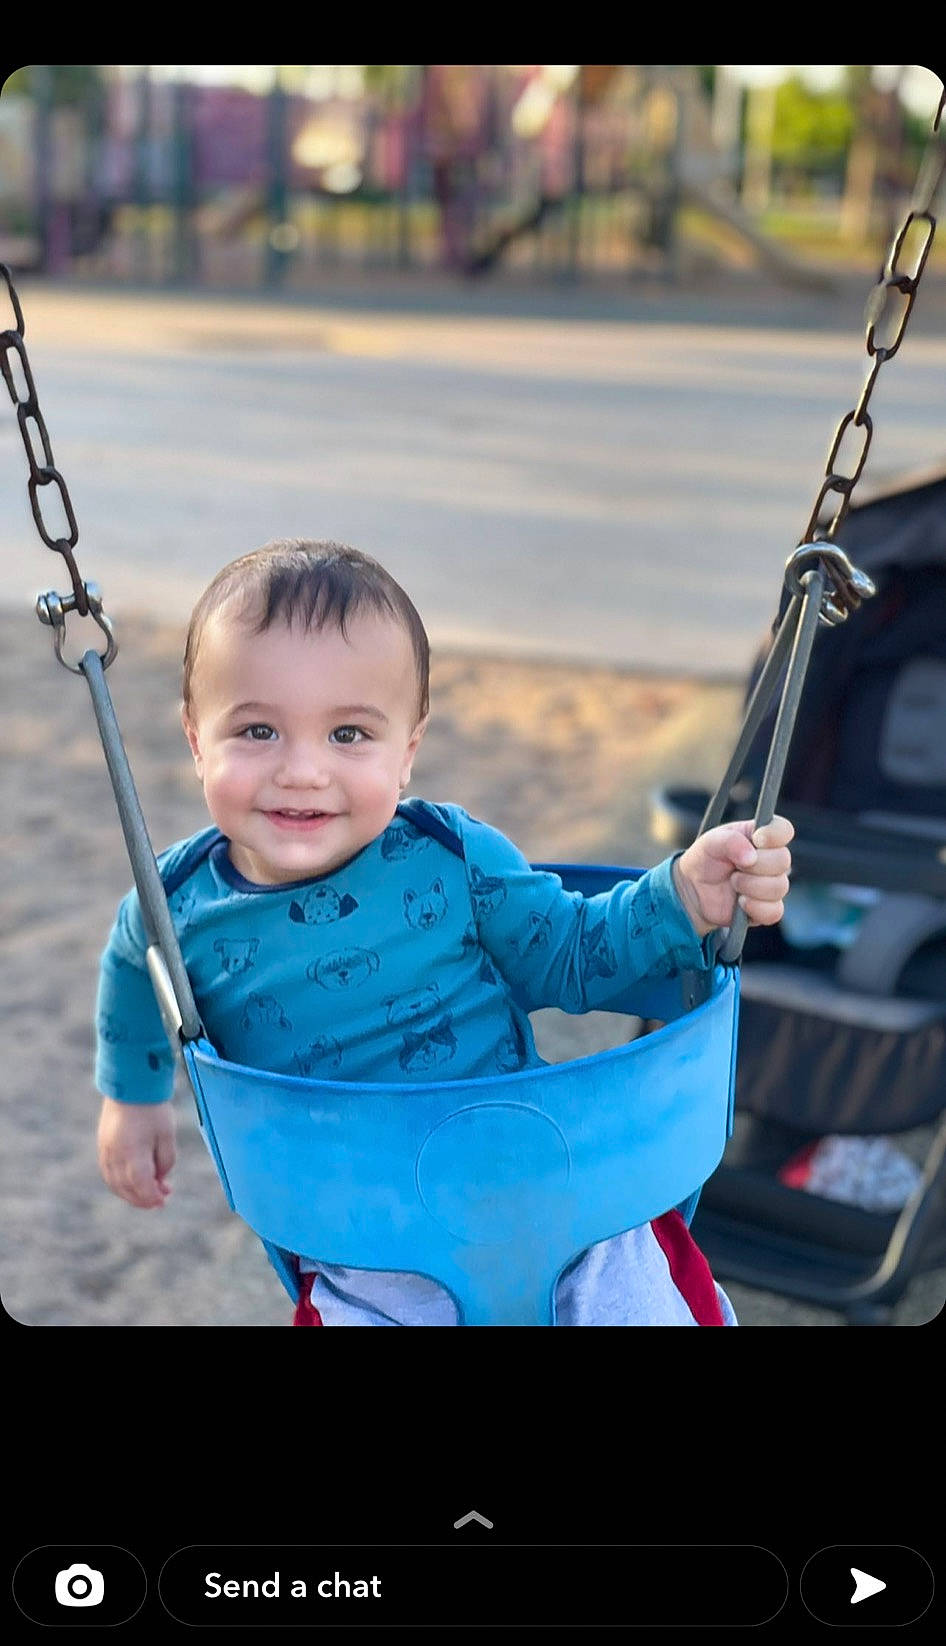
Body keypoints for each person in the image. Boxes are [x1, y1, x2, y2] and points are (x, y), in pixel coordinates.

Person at [94, 539, 794, 1326]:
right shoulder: (174, 907)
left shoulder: (453, 860)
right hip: (364, 1246)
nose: (302, 770)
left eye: (349, 735)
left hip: (550, 1196)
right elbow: (133, 967)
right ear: (196, 737)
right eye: (257, 731)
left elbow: (575, 954)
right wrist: (135, 1097)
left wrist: (683, 894)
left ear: (408, 751)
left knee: (636, 1296)